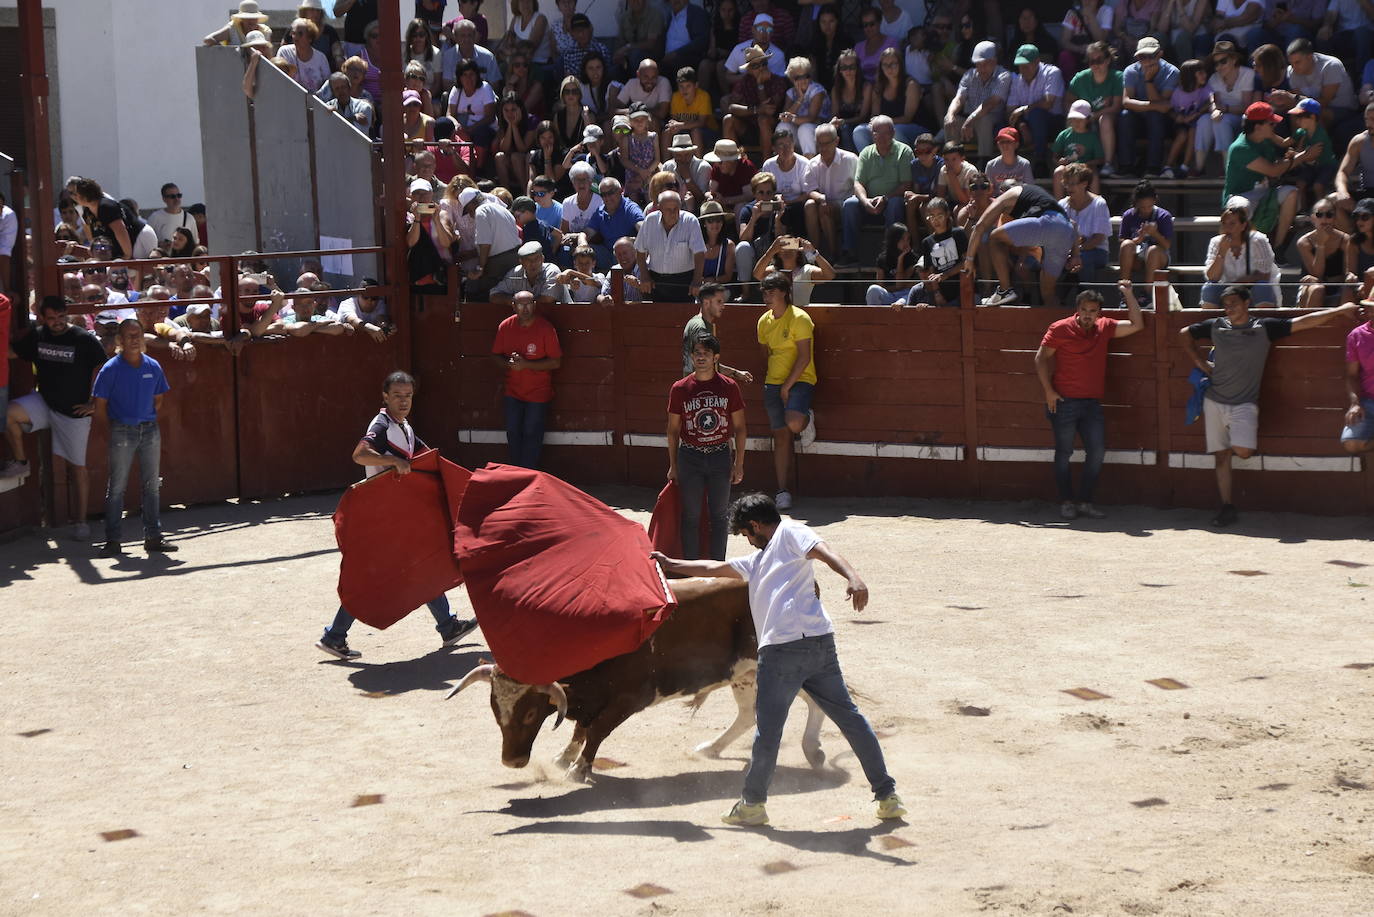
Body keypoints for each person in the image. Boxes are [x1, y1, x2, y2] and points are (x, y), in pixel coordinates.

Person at [650, 493, 906, 828]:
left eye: (746, 533)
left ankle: (753, 804)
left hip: (782, 649)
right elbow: (714, 568)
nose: (748, 540)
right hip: (818, 644)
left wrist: (853, 577)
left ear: (756, 525)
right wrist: (670, 564)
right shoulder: (759, 561)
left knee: (768, 732)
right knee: (851, 720)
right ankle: (887, 796)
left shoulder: (789, 532)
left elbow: (824, 550)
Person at [315, 371, 479, 661]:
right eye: (398, 396)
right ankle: (334, 635)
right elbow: (360, 454)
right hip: (383, 518)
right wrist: (390, 460)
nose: (403, 401)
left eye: (408, 396)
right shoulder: (381, 425)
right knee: (377, 577)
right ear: (385, 397)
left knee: (418, 565)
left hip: (395, 515)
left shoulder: (402, 426)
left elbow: (425, 457)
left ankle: (448, 625)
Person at [1180, 286, 1358, 526]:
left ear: (1247, 303)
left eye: (1234, 302)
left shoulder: (1263, 328)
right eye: (1226, 304)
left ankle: (1235, 451)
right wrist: (1201, 364)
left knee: (1242, 451)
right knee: (1221, 457)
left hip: (1244, 403)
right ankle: (1226, 506)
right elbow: (1184, 333)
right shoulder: (1216, 325)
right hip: (1214, 399)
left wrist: (1338, 310)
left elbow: (1305, 322)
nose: (1229, 308)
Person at [1035, 284, 1146, 521]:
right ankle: (1066, 501)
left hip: (1091, 403)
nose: (1087, 314)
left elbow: (1138, 324)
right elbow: (1040, 358)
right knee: (1064, 452)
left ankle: (1084, 501)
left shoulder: (1104, 327)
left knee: (1096, 452)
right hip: (1063, 401)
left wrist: (1128, 294)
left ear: (1099, 312)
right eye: (1084, 309)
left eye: (1092, 310)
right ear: (1077, 309)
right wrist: (1048, 391)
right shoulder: (1060, 328)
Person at [2, 296, 109, 539]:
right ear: (42, 318)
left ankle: (81, 521)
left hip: (73, 411)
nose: (57, 322)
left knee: (77, 468)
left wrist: (95, 403)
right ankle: (21, 463)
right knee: (8, 414)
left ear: (67, 314)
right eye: (52, 318)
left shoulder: (83, 338)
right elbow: (11, 353)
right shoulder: (38, 335)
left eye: (61, 317)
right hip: (44, 402)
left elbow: (106, 369)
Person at [92, 319, 174, 555]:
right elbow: (100, 407)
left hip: (149, 429)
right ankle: (113, 540)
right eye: (129, 336)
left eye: (137, 334)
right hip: (122, 430)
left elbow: (158, 400)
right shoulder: (111, 369)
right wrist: (114, 430)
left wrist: (144, 419)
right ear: (120, 340)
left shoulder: (153, 366)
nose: (134, 339)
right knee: (117, 487)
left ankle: (153, 536)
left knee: (152, 485)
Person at [667, 333, 747, 561]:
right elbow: (673, 430)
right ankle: (692, 567)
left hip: (720, 455)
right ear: (691, 357)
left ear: (716, 358)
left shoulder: (729, 386)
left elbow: (740, 427)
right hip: (690, 456)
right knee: (691, 515)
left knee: (720, 516)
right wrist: (673, 465)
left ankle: (717, 567)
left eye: (706, 354)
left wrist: (738, 464)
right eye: (697, 353)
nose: (701, 358)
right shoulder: (680, 389)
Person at [963, 181, 1079, 308]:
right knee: (1048, 293)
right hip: (1066, 232)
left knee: (995, 238)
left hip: (1048, 224)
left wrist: (969, 259)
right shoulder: (1034, 197)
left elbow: (980, 226)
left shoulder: (1008, 196)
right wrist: (1076, 255)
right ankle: (1058, 323)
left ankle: (1005, 290)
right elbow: (1072, 224)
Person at [756, 271, 815, 511]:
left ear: (784, 293)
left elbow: (804, 358)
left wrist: (787, 386)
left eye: (772, 292)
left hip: (800, 379)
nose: (767, 297)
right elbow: (765, 355)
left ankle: (806, 419)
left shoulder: (799, 318)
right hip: (774, 382)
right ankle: (782, 490)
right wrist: (776, 385)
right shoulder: (763, 321)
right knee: (780, 437)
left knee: (793, 423)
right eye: (765, 292)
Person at [1222, 101, 1306, 255]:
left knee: (1292, 193)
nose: (1274, 126)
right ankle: (1234, 251)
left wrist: (1291, 155)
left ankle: (1277, 249)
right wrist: (1303, 157)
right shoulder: (1240, 148)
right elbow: (1273, 171)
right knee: (1240, 207)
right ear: (1258, 126)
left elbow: (1277, 163)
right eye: (1271, 123)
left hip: (1264, 191)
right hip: (1240, 195)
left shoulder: (1265, 139)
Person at [492, 291, 562, 469]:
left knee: (532, 433)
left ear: (535, 306)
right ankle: (518, 470)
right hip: (512, 391)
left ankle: (527, 472)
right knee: (513, 432)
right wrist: (510, 364)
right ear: (513, 306)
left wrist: (525, 365)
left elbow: (555, 362)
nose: (525, 308)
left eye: (529, 304)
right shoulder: (505, 326)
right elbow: (495, 356)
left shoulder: (545, 328)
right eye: (521, 304)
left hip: (538, 392)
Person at [838, 116, 913, 268]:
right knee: (850, 204)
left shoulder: (904, 151)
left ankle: (892, 255)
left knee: (895, 204)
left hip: (892, 199)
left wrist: (886, 198)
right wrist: (865, 201)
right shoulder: (866, 153)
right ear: (873, 135)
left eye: (887, 133)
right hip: (870, 201)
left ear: (893, 133)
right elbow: (858, 183)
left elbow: (907, 184)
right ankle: (850, 254)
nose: (883, 137)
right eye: (878, 133)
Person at [1201, 199, 1281, 308]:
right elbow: (1212, 277)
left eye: (1232, 223)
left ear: (1243, 226)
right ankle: (1209, 323)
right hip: (1227, 291)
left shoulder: (1258, 240)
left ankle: (1263, 322)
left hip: (1252, 290)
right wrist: (1221, 253)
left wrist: (1239, 283)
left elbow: (1264, 275)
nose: (1227, 228)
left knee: (1262, 286)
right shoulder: (1216, 242)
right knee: (1209, 288)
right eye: (1224, 223)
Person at [1118, 37, 1179, 177]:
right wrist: (1154, 106)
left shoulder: (1172, 72)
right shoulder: (1130, 71)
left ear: (1159, 54)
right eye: (1141, 57)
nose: (1145, 61)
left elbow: (1164, 106)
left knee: (1155, 116)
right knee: (1125, 116)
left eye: (1150, 56)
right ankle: (1126, 166)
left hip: (1164, 122)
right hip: (1138, 120)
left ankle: (1153, 168)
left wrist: (1149, 81)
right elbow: (1126, 102)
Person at [634, 190, 706, 302]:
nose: (673, 213)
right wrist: (644, 275)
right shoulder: (650, 221)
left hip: (684, 281)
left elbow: (700, 253)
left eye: (676, 209)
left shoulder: (690, 221)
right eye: (668, 209)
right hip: (656, 281)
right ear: (660, 208)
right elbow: (640, 251)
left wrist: (696, 280)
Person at [944, 40, 1010, 159]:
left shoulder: (1004, 75)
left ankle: (984, 162)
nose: (981, 68)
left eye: (985, 64)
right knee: (949, 120)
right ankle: (953, 160)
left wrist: (971, 119)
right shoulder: (969, 75)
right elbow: (959, 98)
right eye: (978, 64)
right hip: (970, 124)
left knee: (985, 119)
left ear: (994, 61)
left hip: (995, 126)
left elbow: (991, 103)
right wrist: (950, 114)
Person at [1006, 43, 1067, 171]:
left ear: (1037, 61)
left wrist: (1024, 109)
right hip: (1027, 125)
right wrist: (1022, 125)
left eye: (1026, 65)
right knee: (1003, 127)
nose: (1022, 69)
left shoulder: (1052, 73)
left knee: (1037, 114)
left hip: (1053, 123)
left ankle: (1040, 161)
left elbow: (1048, 103)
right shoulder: (1017, 80)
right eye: (1020, 66)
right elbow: (1010, 110)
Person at [803, 124, 858, 260]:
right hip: (824, 205)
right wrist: (821, 198)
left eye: (826, 144)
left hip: (845, 206)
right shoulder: (813, 163)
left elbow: (860, 185)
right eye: (819, 144)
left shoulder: (850, 160)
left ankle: (833, 255)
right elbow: (809, 189)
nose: (823, 148)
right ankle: (814, 255)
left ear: (836, 141)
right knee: (810, 205)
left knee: (823, 208)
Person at [460, 187, 523, 300]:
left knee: (476, 291)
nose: (469, 214)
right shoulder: (500, 208)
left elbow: (485, 243)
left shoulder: (481, 211)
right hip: (514, 259)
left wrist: (480, 268)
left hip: (499, 263)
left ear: (471, 204)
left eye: (468, 210)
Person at [1058, 163, 1111, 283]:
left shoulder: (1099, 204)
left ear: (1084, 184)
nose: (1068, 187)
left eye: (1072, 183)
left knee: (1082, 259)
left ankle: (1087, 294)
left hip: (1097, 251)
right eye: (1066, 183)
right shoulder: (1062, 205)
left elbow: (1098, 238)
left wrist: (1076, 251)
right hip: (1069, 251)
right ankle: (1056, 298)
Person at [1296, 201, 1356, 307]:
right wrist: (1320, 245)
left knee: (1348, 289)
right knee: (1318, 289)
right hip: (1313, 286)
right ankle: (1309, 323)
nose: (1324, 219)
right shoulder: (1304, 242)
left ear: (1334, 218)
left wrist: (1350, 276)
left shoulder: (1345, 240)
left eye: (1329, 215)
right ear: (1312, 218)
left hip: (1338, 286)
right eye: (1319, 215)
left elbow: (1349, 272)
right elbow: (1317, 274)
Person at [1118, 179, 1175, 282]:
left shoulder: (1163, 216)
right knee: (1127, 245)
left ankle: (1147, 292)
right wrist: (1138, 239)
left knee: (1153, 251)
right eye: (1142, 207)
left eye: (1149, 206)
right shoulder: (1128, 215)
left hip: (1158, 257)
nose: (1146, 210)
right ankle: (1124, 287)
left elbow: (1167, 245)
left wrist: (1155, 234)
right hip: (1136, 257)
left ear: (1154, 200)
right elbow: (1122, 241)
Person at [1341, 303, 1374, 454]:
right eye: (1371, 307)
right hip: (1369, 402)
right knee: (1352, 444)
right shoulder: (1357, 335)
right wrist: (1355, 403)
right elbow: (1352, 375)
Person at [491, 240, 564, 304]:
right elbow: (493, 296)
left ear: (542, 258)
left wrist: (521, 303)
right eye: (528, 260)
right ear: (521, 262)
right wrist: (512, 301)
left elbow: (547, 299)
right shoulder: (515, 273)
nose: (533, 263)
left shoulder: (551, 271)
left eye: (536, 259)